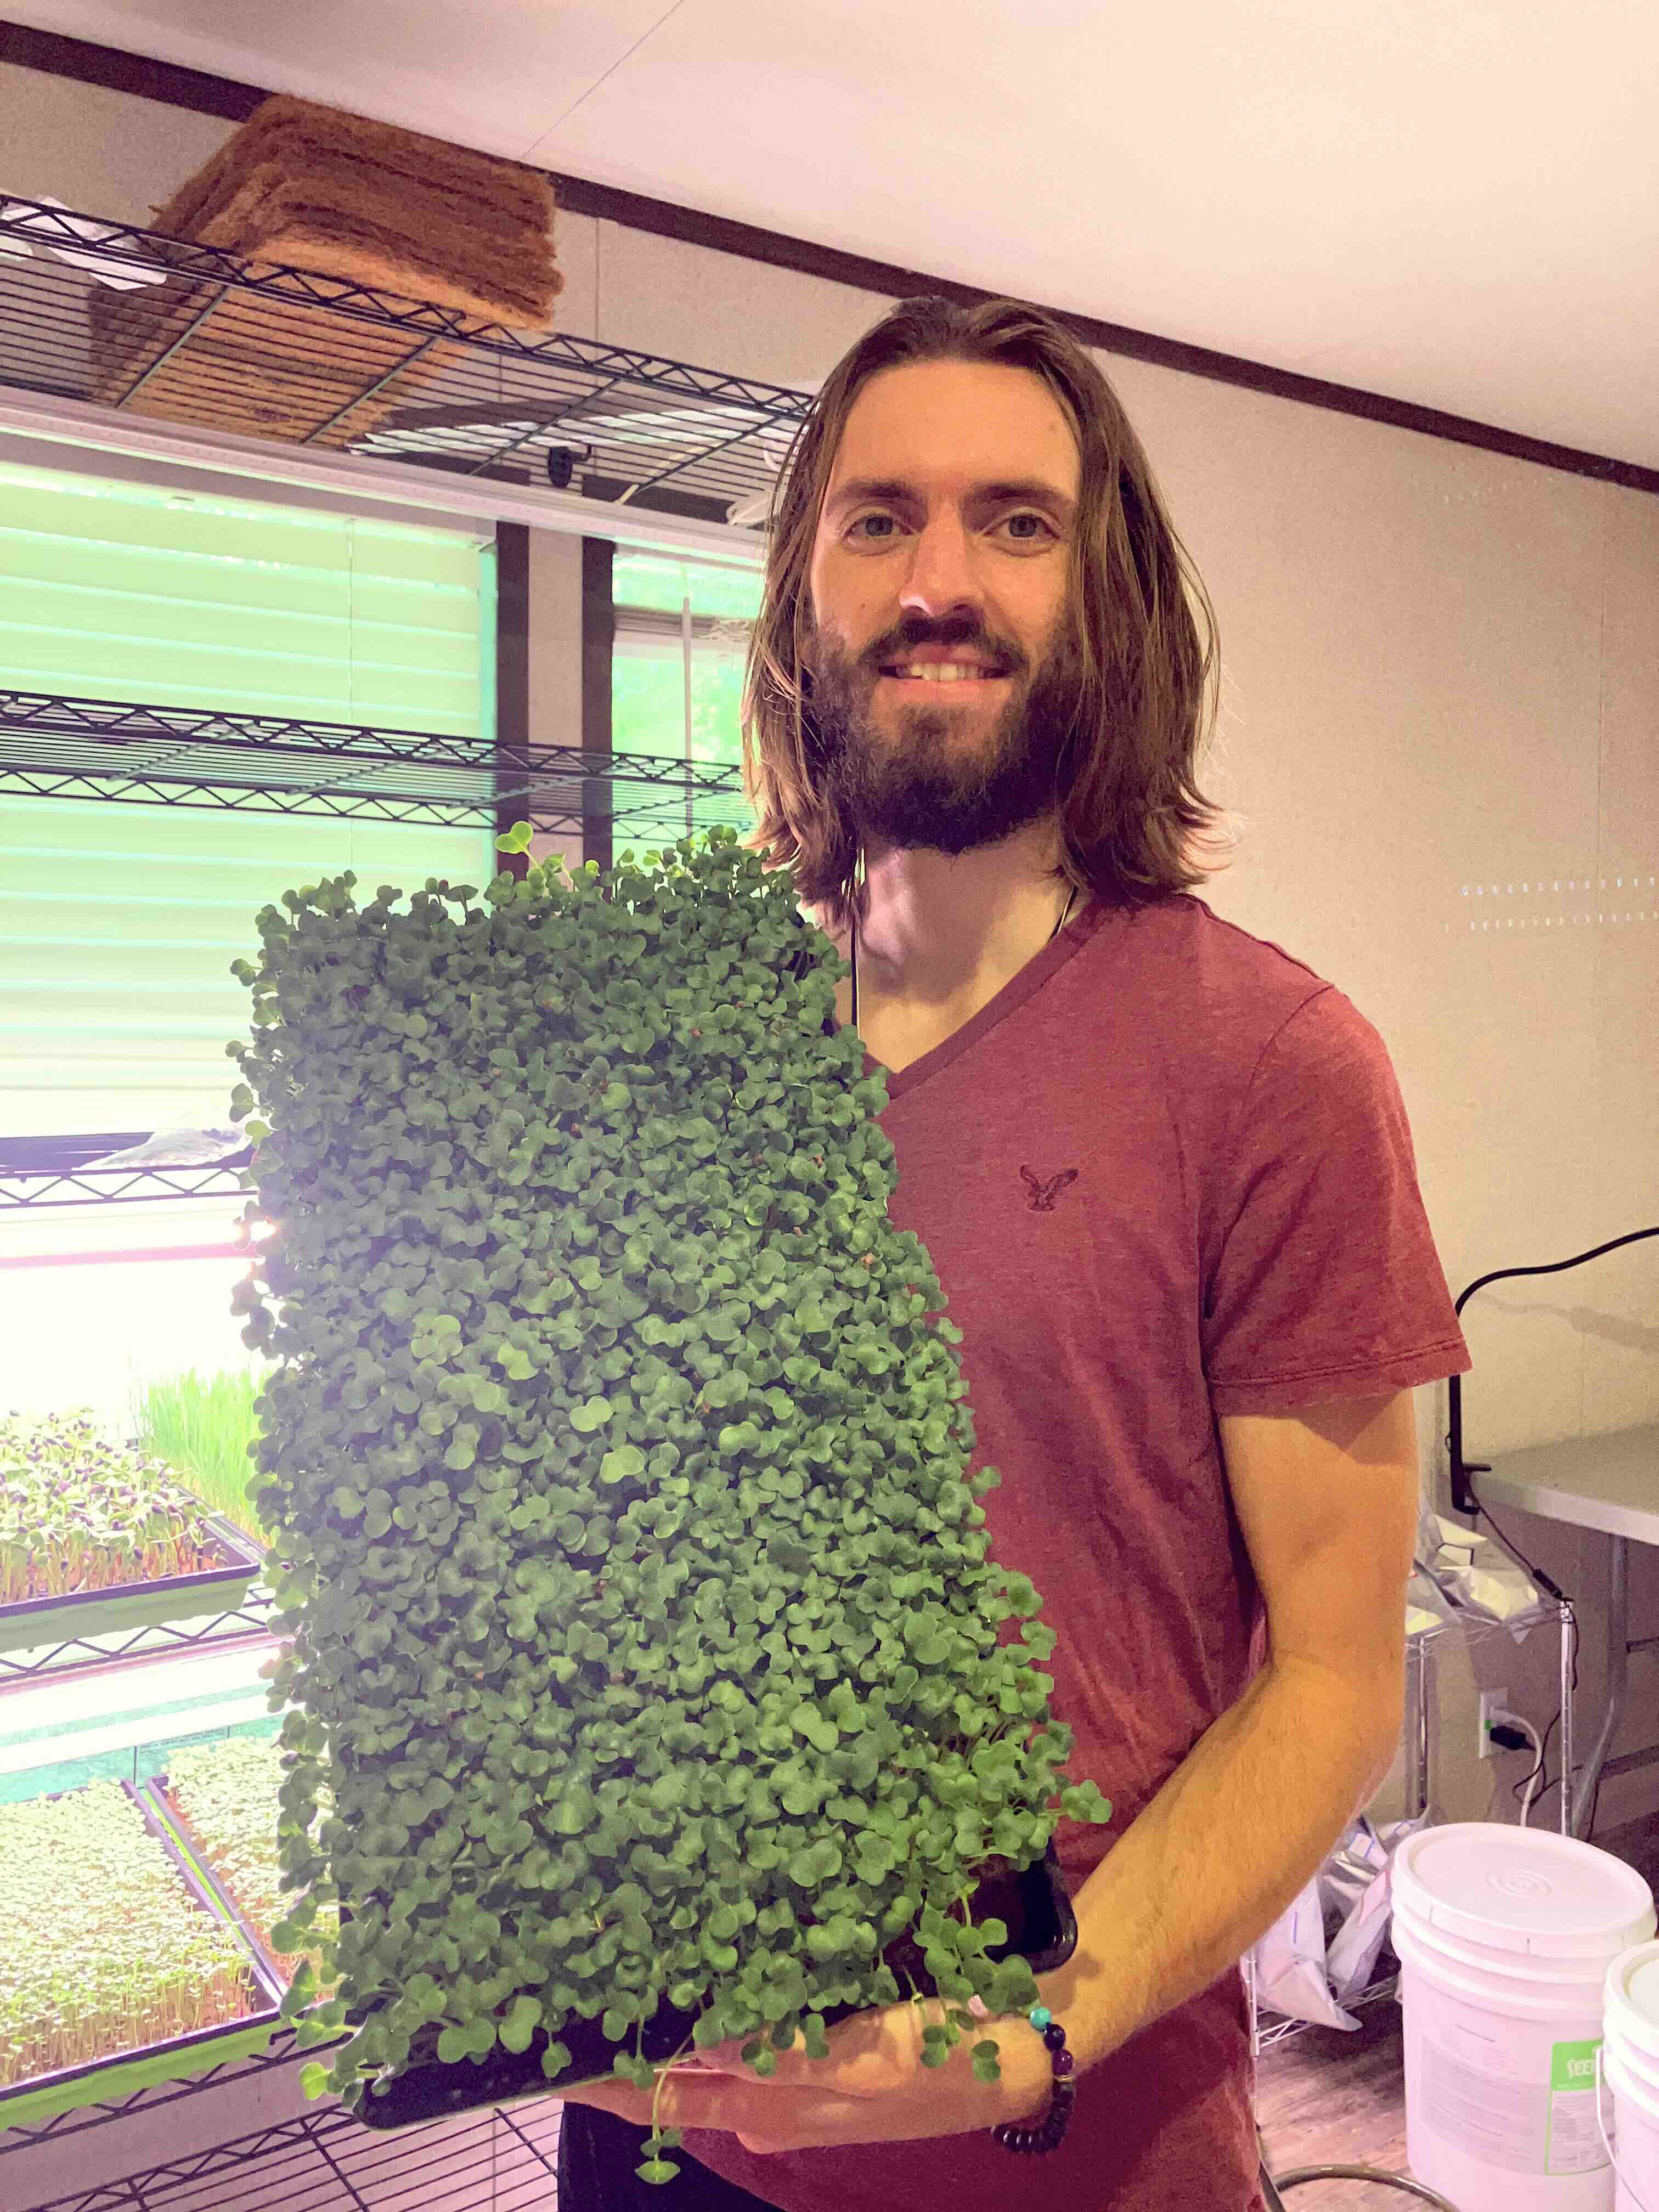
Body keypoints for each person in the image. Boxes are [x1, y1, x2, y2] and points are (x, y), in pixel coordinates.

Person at [556, 294, 1472, 2209]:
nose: (939, 580)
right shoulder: (682, 1041)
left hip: (1065, 2136)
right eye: (876, 519)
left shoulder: (1274, 1068)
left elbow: (1328, 1678)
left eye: (1017, 521)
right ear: (806, 588)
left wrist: (1038, 2025)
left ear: (1107, 594)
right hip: (662, 2124)